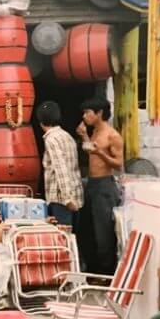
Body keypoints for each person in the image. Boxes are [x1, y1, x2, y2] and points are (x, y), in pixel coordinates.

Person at [76, 98, 123, 276]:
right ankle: (94, 269)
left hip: (105, 184)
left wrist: (100, 152)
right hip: (92, 184)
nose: (84, 116)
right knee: (88, 228)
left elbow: (118, 164)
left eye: (88, 112)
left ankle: (107, 273)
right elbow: (91, 151)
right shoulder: (94, 131)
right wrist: (84, 137)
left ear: (99, 113)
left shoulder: (112, 135)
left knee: (104, 232)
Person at [36, 101, 84, 229]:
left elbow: (61, 169)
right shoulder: (67, 136)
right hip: (75, 196)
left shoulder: (51, 139)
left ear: (41, 122)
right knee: (71, 240)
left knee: (62, 240)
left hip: (61, 201)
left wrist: (67, 199)